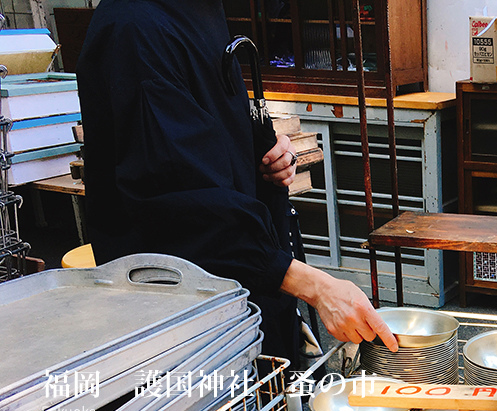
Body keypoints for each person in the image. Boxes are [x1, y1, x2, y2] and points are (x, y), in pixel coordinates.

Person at [76, 0, 398, 362]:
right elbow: (177, 200)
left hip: (242, 291)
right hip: (181, 316)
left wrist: (266, 153)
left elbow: (208, 132)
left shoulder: (201, 11)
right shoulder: (135, 29)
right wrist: (316, 287)